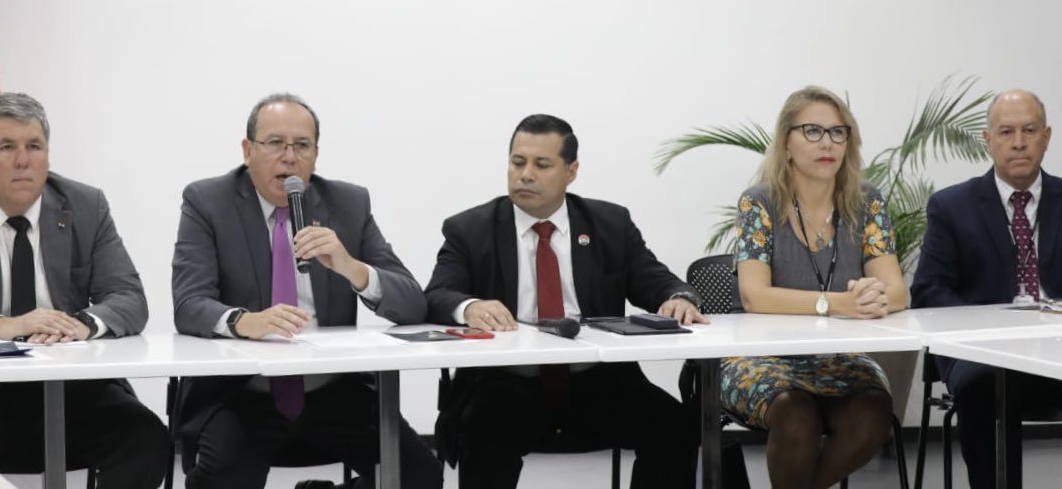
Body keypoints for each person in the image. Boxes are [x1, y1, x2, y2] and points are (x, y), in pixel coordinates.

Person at [0, 92, 167, 488]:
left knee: (145, 440)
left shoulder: (85, 205)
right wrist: (3, 325)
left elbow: (128, 297)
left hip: (74, 391)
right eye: (7, 147)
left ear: (48, 155)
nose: (23, 160)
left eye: (34, 146)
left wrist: (83, 325)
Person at [172, 92, 442, 489]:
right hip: (243, 391)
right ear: (248, 150)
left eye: (302, 145)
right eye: (275, 143)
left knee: (420, 476)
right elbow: (189, 303)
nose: (290, 156)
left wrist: (352, 268)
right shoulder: (207, 202)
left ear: (316, 155)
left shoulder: (348, 203)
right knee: (219, 480)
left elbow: (413, 303)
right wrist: (245, 322)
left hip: (332, 389)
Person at [425, 113, 705, 489]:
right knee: (484, 432)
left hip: (598, 381)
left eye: (542, 165)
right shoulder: (469, 229)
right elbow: (438, 294)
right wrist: (470, 307)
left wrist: (679, 297)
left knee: (676, 427)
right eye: (517, 162)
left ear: (571, 171)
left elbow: (656, 280)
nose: (526, 174)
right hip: (505, 383)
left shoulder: (609, 223)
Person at [723, 85, 906, 489]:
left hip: (838, 358)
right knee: (794, 413)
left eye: (838, 132)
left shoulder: (866, 202)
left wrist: (874, 299)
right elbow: (756, 296)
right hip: (759, 357)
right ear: (786, 143)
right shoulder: (760, 202)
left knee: (874, 411)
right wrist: (839, 303)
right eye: (812, 131)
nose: (827, 143)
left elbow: (896, 291)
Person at [911, 88, 1062, 489]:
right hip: (981, 353)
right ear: (988, 139)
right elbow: (929, 291)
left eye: (1029, 131)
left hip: (1056, 350)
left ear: (1046, 137)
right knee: (986, 384)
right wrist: (994, 326)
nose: (1018, 142)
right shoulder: (951, 207)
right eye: (1006, 131)